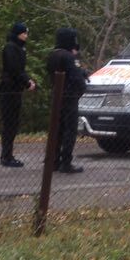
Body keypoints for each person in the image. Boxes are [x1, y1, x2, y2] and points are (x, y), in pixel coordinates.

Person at [46, 26, 89, 173]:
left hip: (57, 97)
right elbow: (76, 78)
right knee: (70, 131)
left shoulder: (53, 56)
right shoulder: (69, 57)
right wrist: (81, 90)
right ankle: (66, 162)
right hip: (70, 97)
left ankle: (54, 161)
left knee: (57, 130)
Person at [0, 21, 36, 167]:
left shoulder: (19, 49)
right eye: (24, 33)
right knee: (9, 124)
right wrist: (27, 82)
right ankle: (6, 157)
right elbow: (15, 69)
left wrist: (27, 80)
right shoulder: (11, 48)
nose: (26, 36)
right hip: (9, 91)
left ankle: (8, 155)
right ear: (18, 34)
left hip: (15, 90)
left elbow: (20, 69)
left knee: (13, 124)